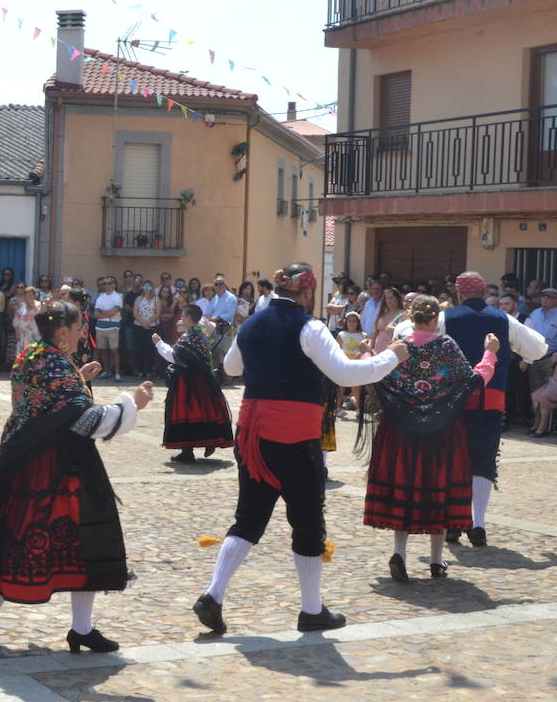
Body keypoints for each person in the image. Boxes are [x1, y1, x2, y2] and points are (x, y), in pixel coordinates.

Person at [194, 263, 407, 636]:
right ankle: (311, 610)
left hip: (254, 434)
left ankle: (213, 594)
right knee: (307, 520)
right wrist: (393, 357)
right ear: (307, 294)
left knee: (249, 517)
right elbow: (345, 374)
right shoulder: (310, 327)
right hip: (295, 435)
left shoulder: (253, 323)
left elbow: (230, 367)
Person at [0, 300, 153, 653]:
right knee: (50, 540)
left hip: (31, 458)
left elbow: (50, 402)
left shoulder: (33, 355)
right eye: (80, 328)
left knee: (49, 542)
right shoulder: (56, 367)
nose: (84, 334)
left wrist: (80, 378)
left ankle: (76, 627)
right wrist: (132, 404)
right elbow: (84, 420)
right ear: (62, 333)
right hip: (53, 467)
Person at [361, 296, 497, 582]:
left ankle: (399, 552)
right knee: (438, 489)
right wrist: (490, 353)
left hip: (400, 431)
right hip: (442, 431)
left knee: (405, 485)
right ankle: (436, 561)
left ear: (411, 318)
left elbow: (374, 372)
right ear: (436, 319)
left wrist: (365, 353)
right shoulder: (446, 347)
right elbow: (474, 380)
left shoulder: (400, 347)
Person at [441, 272, 547, 547]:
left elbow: (410, 337)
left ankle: (453, 521)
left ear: (459, 293)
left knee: (455, 458)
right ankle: (478, 523)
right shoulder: (503, 318)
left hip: (455, 398)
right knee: (484, 458)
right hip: (491, 397)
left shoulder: (447, 318)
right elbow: (538, 349)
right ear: (484, 292)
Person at [153, 304, 232, 463]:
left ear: (189, 318)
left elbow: (174, 356)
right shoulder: (200, 334)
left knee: (186, 413)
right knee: (205, 412)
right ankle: (208, 442)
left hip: (188, 382)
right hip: (204, 381)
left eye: (183, 316)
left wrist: (158, 343)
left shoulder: (189, 337)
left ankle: (187, 450)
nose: (181, 318)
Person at [526, 288, 557, 399]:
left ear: (556, 300)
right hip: (534, 358)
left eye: (549, 296)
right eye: (544, 296)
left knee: (551, 392)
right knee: (535, 390)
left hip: (550, 359)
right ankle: (537, 416)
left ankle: (550, 416)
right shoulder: (534, 314)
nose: (545, 298)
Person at [336, 311, 370, 413]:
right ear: (346, 322)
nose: (351, 323)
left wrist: (360, 354)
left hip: (356, 364)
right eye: (349, 321)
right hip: (344, 363)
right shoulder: (341, 334)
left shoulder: (363, 335)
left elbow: (366, 349)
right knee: (341, 385)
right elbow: (336, 348)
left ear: (358, 323)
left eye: (354, 321)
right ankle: (338, 407)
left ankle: (359, 408)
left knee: (355, 386)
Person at [92, 278, 124, 381]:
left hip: (113, 327)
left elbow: (114, 312)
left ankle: (117, 373)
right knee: (103, 351)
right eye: (105, 283)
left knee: (114, 350)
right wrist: (107, 314)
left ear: (114, 285)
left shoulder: (117, 297)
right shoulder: (100, 297)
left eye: (109, 283)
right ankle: (107, 371)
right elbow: (96, 314)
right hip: (100, 327)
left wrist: (103, 313)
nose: (107, 285)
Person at [132, 282, 161, 380]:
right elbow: (135, 313)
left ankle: (149, 371)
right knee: (139, 349)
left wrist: (148, 322)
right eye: (145, 286)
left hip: (152, 327)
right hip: (139, 327)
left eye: (149, 286)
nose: (147, 288)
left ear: (152, 288)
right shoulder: (138, 299)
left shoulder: (156, 299)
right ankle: (139, 371)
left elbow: (157, 313)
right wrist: (143, 323)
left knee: (150, 349)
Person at [11, 284, 40, 359]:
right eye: (27, 295)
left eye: (31, 295)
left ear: (34, 296)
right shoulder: (21, 306)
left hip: (34, 334)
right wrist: (17, 332)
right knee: (22, 354)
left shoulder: (38, 304)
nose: (29, 297)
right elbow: (16, 320)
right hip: (22, 335)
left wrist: (33, 306)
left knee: (34, 353)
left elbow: (40, 316)